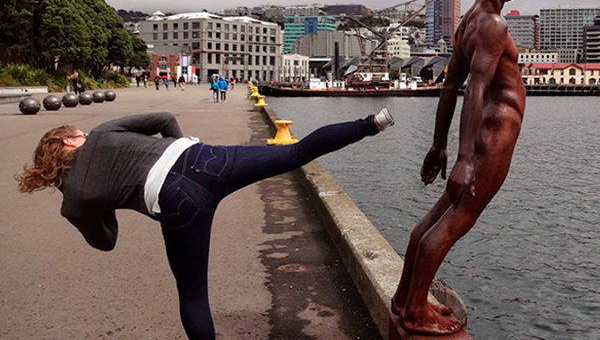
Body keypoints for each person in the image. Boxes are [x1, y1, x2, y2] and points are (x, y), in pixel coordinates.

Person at [16, 109, 395, 340]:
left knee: (193, 295)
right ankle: (371, 123)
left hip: (179, 206)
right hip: (205, 160)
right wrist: (184, 157)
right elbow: (163, 119)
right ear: (67, 144)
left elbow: (106, 241)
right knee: (294, 153)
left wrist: (104, 206)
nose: (81, 135)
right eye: (75, 134)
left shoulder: (74, 203)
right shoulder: (101, 133)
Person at [390, 0, 526, 336]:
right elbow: (474, 89)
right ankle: (416, 313)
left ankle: (405, 298)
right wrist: (465, 159)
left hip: (481, 137)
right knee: (457, 222)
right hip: (494, 138)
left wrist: (440, 146)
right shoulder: (494, 25)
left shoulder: (469, 23)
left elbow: (449, 86)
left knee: (435, 221)